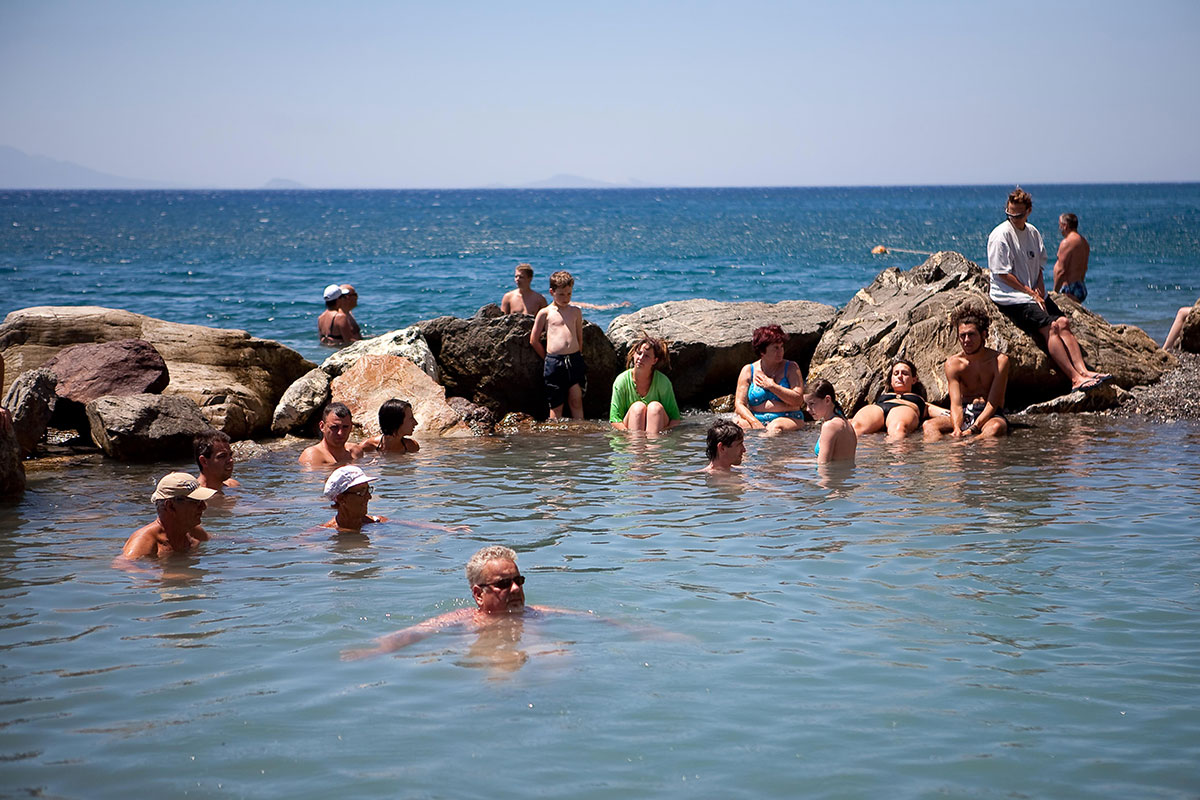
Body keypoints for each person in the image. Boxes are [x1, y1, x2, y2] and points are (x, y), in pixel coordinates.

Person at [342, 545, 589, 660]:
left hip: (532, 670)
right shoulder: (464, 620)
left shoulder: (537, 613)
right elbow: (412, 634)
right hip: (493, 671)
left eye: (519, 580)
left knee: (560, 654)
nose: (515, 589)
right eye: (504, 584)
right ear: (478, 594)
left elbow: (594, 620)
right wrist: (370, 651)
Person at [988, 187, 1110, 391]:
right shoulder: (1000, 235)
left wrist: (1039, 289)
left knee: (1063, 322)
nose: (1014, 219)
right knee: (1051, 327)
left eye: (1018, 215)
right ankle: (1074, 378)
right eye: (1010, 214)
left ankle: (1084, 371)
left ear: (1028, 211)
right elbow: (1002, 273)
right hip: (1011, 296)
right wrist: (1029, 292)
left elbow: (1039, 267)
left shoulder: (1033, 233)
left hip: (1031, 293)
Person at [923, 304, 1010, 441]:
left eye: (971, 335)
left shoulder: (999, 361)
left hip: (990, 414)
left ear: (983, 335)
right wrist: (957, 428)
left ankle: (972, 441)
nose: (966, 340)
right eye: (962, 336)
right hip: (965, 411)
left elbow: (993, 402)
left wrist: (973, 429)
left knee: (995, 428)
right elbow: (956, 404)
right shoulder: (953, 364)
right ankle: (941, 452)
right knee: (929, 425)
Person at [530, 270, 586, 419]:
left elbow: (579, 337)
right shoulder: (545, 313)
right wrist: (547, 358)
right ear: (552, 292)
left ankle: (579, 431)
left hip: (574, 359)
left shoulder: (576, 311)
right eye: (561, 294)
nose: (565, 298)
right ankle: (555, 432)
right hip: (554, 362)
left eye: (569, 294)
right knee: (556, 405)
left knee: (576, 401)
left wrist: (579, 355)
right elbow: (533, 339)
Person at [120, 472, 216, 559]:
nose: (203, 507)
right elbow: (124, 565)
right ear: (170, 506)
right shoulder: (144, 541)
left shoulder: (192, 530)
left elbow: (216, 540)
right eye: (196, 502)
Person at [733, 325, 807, 434]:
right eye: (776, 348)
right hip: (756, 418)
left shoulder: (791, 368)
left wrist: (772, 386)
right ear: (762, 351)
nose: (780, 351)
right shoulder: (748, 370)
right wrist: (754, 422)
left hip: (788, 417)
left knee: (774, 427)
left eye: (781, 347)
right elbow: (739, 404)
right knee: (736, 427)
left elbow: (798, 400)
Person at [850, 359, 944, 440]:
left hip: (905, 408)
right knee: (855, 426)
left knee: (898, 428)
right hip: (878, 408)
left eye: (905, 373)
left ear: (914, 380)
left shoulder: (923, 403)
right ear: (891, 380)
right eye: (896, 373)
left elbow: (947, 414)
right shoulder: (885, 396)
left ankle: (895, 455)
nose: (899, 376)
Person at [609, 335, 681, 433]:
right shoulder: (621, 381)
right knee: (638, 408)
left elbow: (675, 419)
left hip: (657, 428)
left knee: (655, 408)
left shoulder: (663, 382)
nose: (640, 358)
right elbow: (615, 419)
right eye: (639, 353)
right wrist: (629, 434)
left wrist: (664, 433)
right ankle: (636, 442)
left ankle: (653, 441)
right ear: (634, 354)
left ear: (654, 360)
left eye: (646, 356)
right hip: (631, 430)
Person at [320, 465, 388, 532]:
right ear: (341, 498)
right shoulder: (325, 531)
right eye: (361, 492)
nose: (369, 497)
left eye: (368, 490)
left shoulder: (379, 522)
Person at [806, 380, 856, 463]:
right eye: (806, 404)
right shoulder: (846, 422)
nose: (807, 409)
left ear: (827, 400)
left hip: (830, 472)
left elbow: (823, 465)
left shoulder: (829, 426)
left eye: (812, 404)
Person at [1052, 213, 1090, 303]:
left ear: (1065, 226)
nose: (1060, 229)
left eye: (1060, 225)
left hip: (1070, 288)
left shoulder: (1067, 242)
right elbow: (1084, 267)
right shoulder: (1084, 242)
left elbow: (1061, 271)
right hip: (1080, 286)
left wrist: (1055, 292)